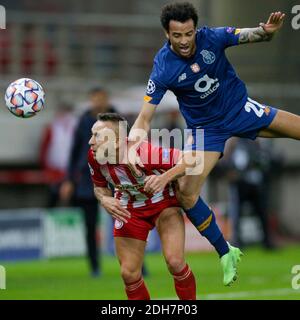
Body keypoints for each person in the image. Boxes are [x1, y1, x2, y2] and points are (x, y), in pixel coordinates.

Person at [127, 2, 297, 286]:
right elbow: (145, 117)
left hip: (240, 109)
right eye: (177, 35)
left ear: (196, 29)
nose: (184, 41)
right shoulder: (162, 67)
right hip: (206, 132)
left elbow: (255, 34)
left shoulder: (213, 37)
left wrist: (267, 31)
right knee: (186, 192)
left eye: (189, 33)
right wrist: (134, 139)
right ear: (167, 34)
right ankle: (225, 251)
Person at [88, 113, 196, 300]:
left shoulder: (144, 152)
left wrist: (164, 178)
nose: (90, 141)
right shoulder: (94, 156)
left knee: (175, 263)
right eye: (92, 134)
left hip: (163, 203)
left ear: (117, 141)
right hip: (129, 208)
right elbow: (99, 187)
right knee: (128, 274)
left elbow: (192, 160)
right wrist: (104, 199)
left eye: (97, 136)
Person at [59, 87, 116, 277]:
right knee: (90, 226)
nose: (98, 102)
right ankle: (95, 267)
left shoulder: (117, 120)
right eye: (94, 98)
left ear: (106, 99)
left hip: (113, 177)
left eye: (101, 98)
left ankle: (138, 265)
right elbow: (74, 152)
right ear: (90, 100)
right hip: (87, 180)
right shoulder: (83, 122)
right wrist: (68, 180)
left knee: (123, 221)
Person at [221, 138, 281, 249]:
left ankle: (267, 241)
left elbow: (266, 159)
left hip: (256, 183)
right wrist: (230, 172)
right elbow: (226, 161)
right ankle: (237, 241)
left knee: (262, 213)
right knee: (236, 213)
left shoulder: (256, 142)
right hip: (240, 183)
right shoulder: (234, 144)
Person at [39, 102, 77, 207]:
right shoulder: (52, 128)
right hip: (55, 170)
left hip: (71, 170)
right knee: (53, 196)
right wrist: (46, 167)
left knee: (74, 197)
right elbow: (44, 148)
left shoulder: (77, 128)